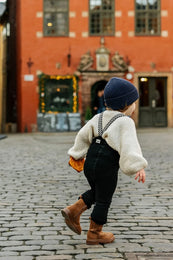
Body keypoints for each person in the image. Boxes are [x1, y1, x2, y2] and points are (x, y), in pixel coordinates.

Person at [61, 77, 148, 245]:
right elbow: (130, 146)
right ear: (126, 103)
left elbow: (82, 135)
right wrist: (138, 166)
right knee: (104, 198)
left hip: (91, 162)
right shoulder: (125, 121)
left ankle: (73, 211)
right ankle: (94, 233)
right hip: (106, 165)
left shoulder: (98, 117)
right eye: (134, 102)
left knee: (98, 190)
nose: (135, 106)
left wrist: (77, 154)